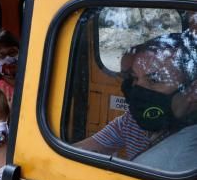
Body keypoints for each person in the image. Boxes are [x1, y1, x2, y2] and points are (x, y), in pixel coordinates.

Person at [75, 30, 197, 163]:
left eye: (154, 80)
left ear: (193, 90)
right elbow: (83, 149)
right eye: (134, 78)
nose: (138, 90)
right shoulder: (132, 121)